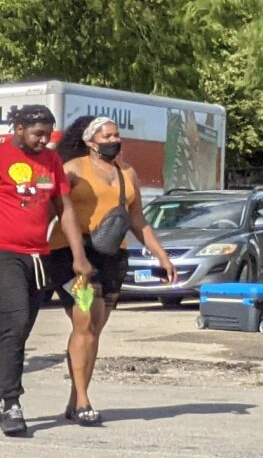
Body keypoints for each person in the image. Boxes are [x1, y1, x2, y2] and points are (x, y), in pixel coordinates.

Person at [0, 105, 80, 438]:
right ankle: (12, 403)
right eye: (37, 133)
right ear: (19, 128)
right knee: (15, 319)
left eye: (48, 134)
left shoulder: (51, 162)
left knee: (16, 328)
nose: (43, 140)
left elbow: (64, 211)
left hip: (37, 257)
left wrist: (79, 256)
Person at [55, 115, 176, 425]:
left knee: (95, 328)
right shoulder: (72, 170)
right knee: (85, 323)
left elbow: (139, 221)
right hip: (75, 255)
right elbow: (53, 211)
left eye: (116, 135)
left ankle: (75, 398)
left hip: (113, 258)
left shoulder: (127, 173)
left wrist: (162, 256)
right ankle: (83, 401)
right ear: (90, 141)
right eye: (106, 136)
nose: (112, 140)